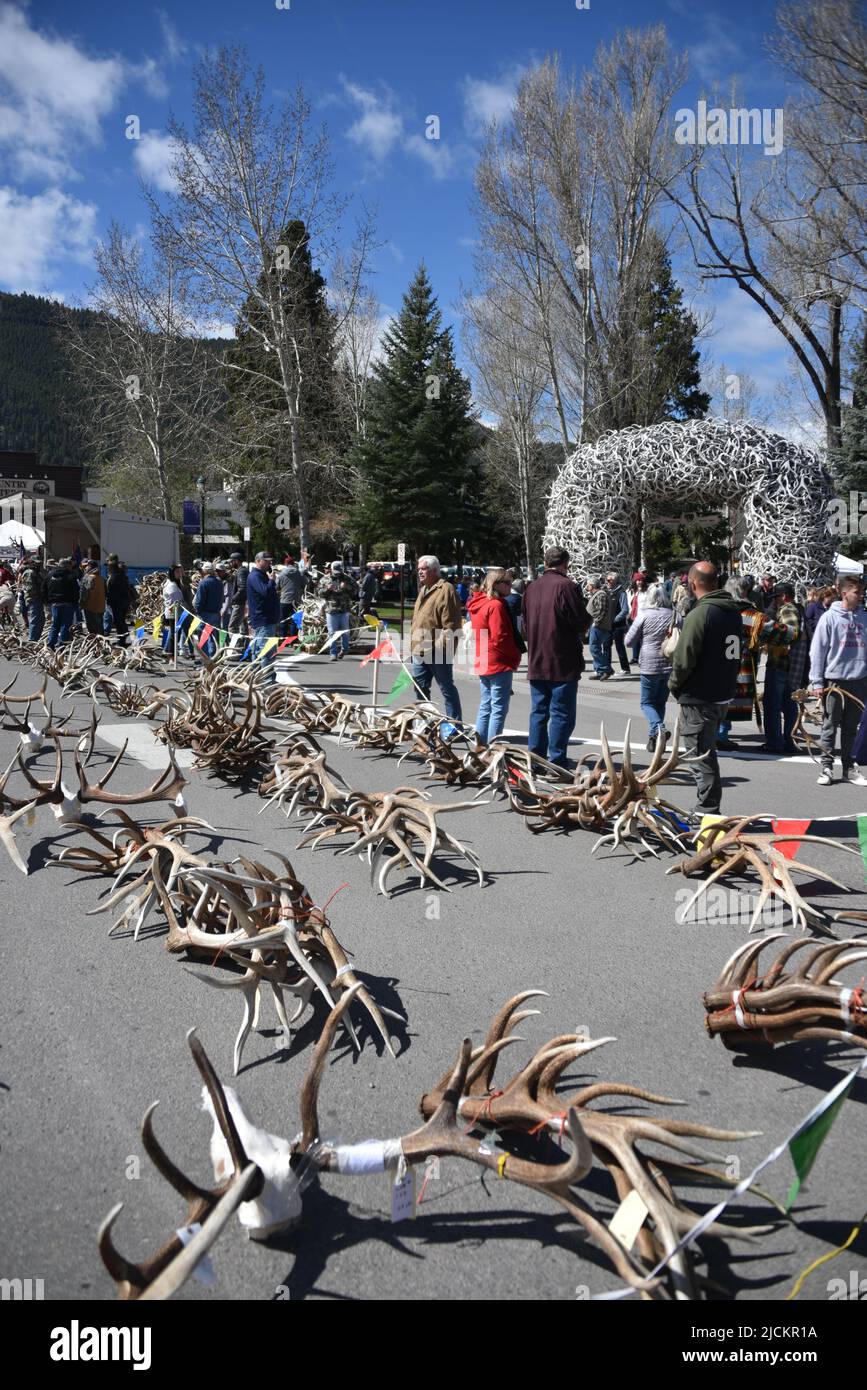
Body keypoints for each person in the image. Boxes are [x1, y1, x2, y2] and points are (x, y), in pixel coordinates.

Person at [668, 561, 742, 818]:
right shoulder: (732, 611)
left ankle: (706, 810)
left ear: (692, 582)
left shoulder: (701, 613)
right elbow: (735, 653)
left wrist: (674, 685)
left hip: (699, 694)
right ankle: (708, 806)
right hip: (722, 690)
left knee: (699, 755)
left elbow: (684, 658)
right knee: (705, 750)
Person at [522, 546, 590, 769]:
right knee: (561, 713)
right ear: (565, 563)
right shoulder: (566, 586)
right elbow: (580, 621)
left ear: (545, 561)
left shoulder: (531, 588)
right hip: (561, 659)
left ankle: (536, 758)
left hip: (537, 658)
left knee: (538, 712)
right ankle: (556, 759)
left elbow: (524, 622)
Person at [810, 574, 867, 786]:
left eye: (862, 592)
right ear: (844, 593)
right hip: (835, 681)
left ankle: (848, 768)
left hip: (859, 680)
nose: (861, 596)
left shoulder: (864, 617)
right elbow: (818, 651)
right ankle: (826, 766)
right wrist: (816, 681)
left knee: (852, 728)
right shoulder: (829, 618)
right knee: (830, 726)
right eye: (857, 592)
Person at [466, 568, 522, 744]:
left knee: (486, 704)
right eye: (507, 583)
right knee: (498, 707)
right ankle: (492, 746)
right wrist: (515, 656)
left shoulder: (479, 603)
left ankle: (480, 744)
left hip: (483, 656)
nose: (510, 586)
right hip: (497, 659)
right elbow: (501, 637)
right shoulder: (495, 605)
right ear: (497, 584)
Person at [410, 555, 464, 720]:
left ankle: (455, 726)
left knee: (446, 688)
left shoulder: (446, 590)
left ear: (434, 570)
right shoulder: (423, 590)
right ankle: (425, 723)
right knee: (419, 688)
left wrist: (442, 650)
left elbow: (451, 625)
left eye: (423, 569)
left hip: (437, 651)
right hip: (419, 649)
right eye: (418, 569)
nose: (419, 572)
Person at [757, 582, 805, 755]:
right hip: (792, 666)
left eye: (776, 597)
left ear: (783, 596)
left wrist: (768, 634)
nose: (775, 601)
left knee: (772, 705)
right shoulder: (799, 608)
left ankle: (775, 743)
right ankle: (789, 741)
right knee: (789, 705)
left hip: (781, 663)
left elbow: (791, 633)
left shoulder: (787, 609)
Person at [716, 577, 763, 750]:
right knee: (730, 698)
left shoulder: (718, 609)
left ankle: (718, 734)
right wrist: (795, 634)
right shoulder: (749, 613)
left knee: (722, 698)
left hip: (719, 662)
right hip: (739, 661)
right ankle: (721, 735)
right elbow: (772, 631)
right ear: (742, 591)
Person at [624, 582, 672, 751]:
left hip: (649, 664)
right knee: (660, 703)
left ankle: (659, 728)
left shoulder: (644, 615)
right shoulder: (675, 615)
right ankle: (655, 739)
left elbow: (629, 641)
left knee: (646, 703)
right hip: (669, 664)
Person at [246, 551, 279, 684]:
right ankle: (267, 681)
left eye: (270, 561)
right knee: (267, 651)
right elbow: (264, 592)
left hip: (265, 618)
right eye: (266, 561)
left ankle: (255, 678)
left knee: (259, 651)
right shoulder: (255, 576)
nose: (269, 563)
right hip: (263, 619)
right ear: (258, 561)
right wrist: (271, 581)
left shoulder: (260, 575)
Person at [318, 561, 357, 660]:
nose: (337, 573)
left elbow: (355, 591)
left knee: (345, 633)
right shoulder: (325, 579)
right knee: (332, 633)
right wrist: (328, 589)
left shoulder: (347, 579)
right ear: (331, 569)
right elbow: (319, 593)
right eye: (335, 571)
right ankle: (333, 653)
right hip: (331, 610)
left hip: (344, 609)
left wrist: (347, 587)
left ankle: (344, 650)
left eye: (339, 571)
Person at [45, 556, 79, 649]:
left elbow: (43, 588)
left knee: (55, 624)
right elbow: (76, 590)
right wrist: (75, 603)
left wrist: (48, 601)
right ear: (67, 565)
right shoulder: (71, 575)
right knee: (65, 625)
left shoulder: (50, 574)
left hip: (55, 604)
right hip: (68, 604)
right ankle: (61, 645)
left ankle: (51, 644)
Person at [193, 560, 223, 658]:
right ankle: (213, 657)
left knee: (203, 637)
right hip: (216, 613)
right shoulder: (219, 582)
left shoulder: (204, 582)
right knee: (213, 637)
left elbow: (199, 600)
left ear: (205, 571)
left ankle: (204, 658)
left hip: (205, 613)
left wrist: (197, 611)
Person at [586, 575, 614, 680]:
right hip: (597, 626)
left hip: (599, 626)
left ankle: (606, 669)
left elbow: (602, 610)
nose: (587, 586)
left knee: (594, 648)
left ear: (592, 585)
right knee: (595, 647)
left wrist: (596, 622)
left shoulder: (600, 595)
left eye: (588, 584)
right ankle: (600, 671)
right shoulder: (597, 594)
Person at [605, 571, 631, 675]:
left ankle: (625, 668)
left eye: (609, 580)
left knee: (619, 646)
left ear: (614, 581)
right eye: (606, 580)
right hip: (608, 625)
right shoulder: (607, 592)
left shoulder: (621, 593)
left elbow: (625, 610)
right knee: (606, 645)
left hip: (618, 625)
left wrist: (614, 619)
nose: (607, 582)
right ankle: (607, 669)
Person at [104, 557, 132, 646]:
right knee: (121, 623)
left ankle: (122, 642)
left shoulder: (114, 577)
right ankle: (125, 640)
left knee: (119, 623)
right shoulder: (121, 576)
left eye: (108, 567)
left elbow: (112, 592)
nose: (107, 569)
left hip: (117, 604)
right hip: (123, 603)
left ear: (111, 568)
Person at [277, 556, 306, 635]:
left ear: (285, 563)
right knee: (295, 621)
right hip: (297, 601)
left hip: (284, 600)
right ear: (293, 563)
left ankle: (283, 640)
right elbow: (305, 584)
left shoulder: (281, 574)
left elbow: (276, 587)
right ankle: (293, 640)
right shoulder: (299, 573)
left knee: (283, 621)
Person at [21, 556, 46, 641]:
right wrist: (41, 591)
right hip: (34, 598)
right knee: (35, 619)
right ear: (32, 562)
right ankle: (32, 640)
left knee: (41, 619)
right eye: (36, 563)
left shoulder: (37, 572)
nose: (39, 564)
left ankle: (36, 638)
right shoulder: (30, 572)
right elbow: (30, 588)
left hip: (38, 598)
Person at [79, 560, 106, 635]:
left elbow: (84, 593)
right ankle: (101, 643)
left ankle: (94, 643)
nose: (85, 568)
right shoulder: (101, 578)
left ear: (90, 566)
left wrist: (81, 603)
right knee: (99, 628)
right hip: (101, 607)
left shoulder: (88, 578)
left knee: (92, 629)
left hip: (90, 607)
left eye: (86, 566)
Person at [227, 552, 249, 635]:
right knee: (243, 627)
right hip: (243, 603)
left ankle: (236, 646)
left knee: (232, 627)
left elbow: (242, 588)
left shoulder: (241, 571)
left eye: (231, 561)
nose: (230, 564)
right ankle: (244, 646)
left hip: (240, 604)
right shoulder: (243, 570)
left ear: (236, 561)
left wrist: (233, 598)